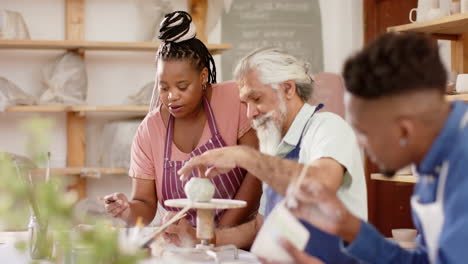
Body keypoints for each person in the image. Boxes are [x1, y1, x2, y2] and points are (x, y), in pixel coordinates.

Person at [287, 32, 468, 264]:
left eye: (364, 132)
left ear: (404, 131)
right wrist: (350, 228)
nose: (359, 143)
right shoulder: (431, 159)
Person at [176, 47, 367, 263]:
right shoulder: (276, 149)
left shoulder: (328, 127)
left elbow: (320, 184)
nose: (250, 114)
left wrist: (244, 156)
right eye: (245, 104)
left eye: (256, 99)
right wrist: (205, 237)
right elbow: (261, 225)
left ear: (287, 89)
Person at [103, 11, 262, 229]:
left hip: (238, 243)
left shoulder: (234, 100)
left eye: (182, 86)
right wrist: (127, 209)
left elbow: (256, 170)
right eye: (164, 87)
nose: (172, 96)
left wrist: (221, 234)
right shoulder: (150, 130)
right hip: (180, 244)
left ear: (203, 76)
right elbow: (145, 204)